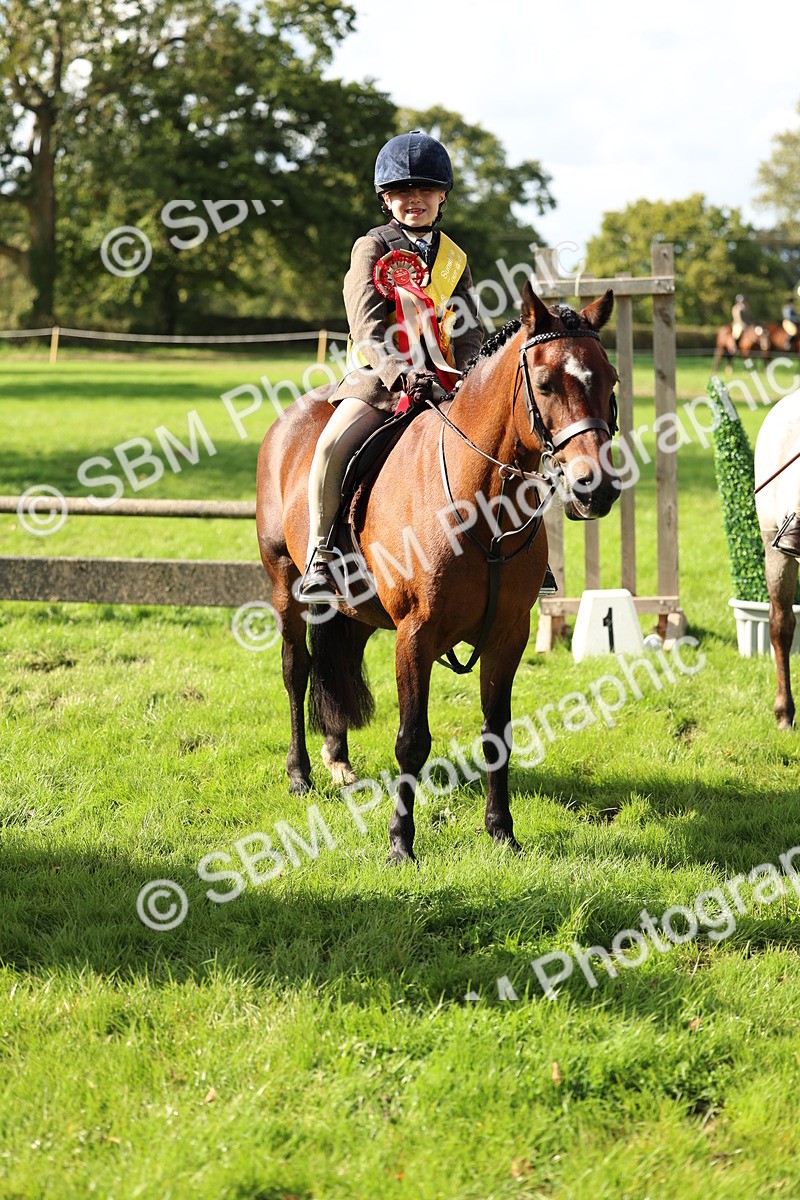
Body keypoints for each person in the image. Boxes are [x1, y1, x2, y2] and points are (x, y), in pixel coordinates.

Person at [297, 131, 484, 602]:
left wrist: (468, 374)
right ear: (386, 198)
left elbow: (468, 327)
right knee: (330, 448)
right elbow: (366, 325)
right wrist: (400, 373)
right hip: (380, 382)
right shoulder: (371, 247)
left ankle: (519, 555)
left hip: (446, 384)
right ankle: (321, 551)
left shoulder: (454, 259)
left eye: (423, 190)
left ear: (442, 196)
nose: (413, 200)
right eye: (402, 191)